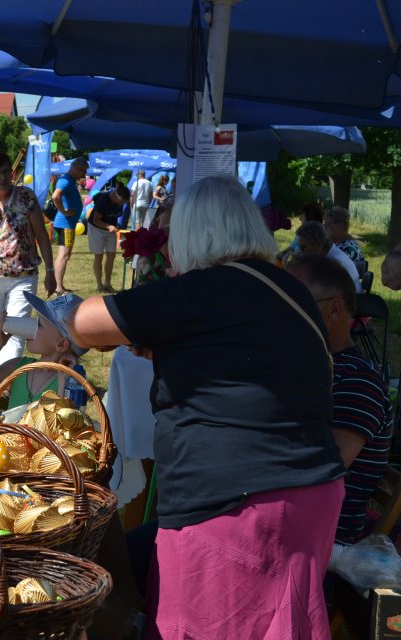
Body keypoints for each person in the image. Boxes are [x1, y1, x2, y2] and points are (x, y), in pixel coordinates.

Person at [67, 175, 345, 638]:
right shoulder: (289, 289)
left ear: (191, 234)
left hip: (233, 508)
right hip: (308, 494)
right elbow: (251, 359)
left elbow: (82, 323)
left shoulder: (197, 290)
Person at [286, 255, 391, 547]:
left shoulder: (358, 381)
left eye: (294, 303)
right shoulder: (309, 368)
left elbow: (320, 467)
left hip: (319, 543)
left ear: (333, 309)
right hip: (286, 527)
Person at [0, 152, 56, 366]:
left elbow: (41, 236)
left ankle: (7, 383)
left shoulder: (26, 196)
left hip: (23, 275)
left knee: (15, 330)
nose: (3, 177)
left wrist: (51, 272)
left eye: (6, 171)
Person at [0, 293, 84, 405]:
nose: (32, 327)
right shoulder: (18, 366)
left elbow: (65, 420)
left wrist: (63, 381)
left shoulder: (71, 381)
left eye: (39, 324)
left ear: (61, 345)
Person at [50, 157, 88, 296]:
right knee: (63, 255)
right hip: (65, 224)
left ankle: (58, 285)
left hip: (68, 224)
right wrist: (64, 211)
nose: (83, 175)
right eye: (83, 171)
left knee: (64, 255)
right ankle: (58, 288)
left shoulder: (69, 180)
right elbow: (55, 196)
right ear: (76, 168)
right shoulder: (65, 180)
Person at [295, 221, 361, 292]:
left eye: (303, 247)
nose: (300, 251)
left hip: (352, 300)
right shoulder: (329, 254)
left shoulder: (333, 261)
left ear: (319, 245)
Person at [88, 183, 130, 293]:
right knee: (99, 256)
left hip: (110, 229)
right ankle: (99, 285)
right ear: (115, 196)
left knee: (111, 255)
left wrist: (114, 226)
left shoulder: (120, 201)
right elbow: (96, 220)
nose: (122, 204)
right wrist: (109, 226)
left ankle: (107, 283)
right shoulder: (103, 201)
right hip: (96, 228)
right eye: (122, 202)